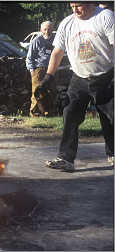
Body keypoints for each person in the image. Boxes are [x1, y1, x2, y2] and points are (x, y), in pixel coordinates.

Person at [36, 2, 114, 172]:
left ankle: (113, 153)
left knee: (111, 118)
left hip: (106, 77)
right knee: (69, 114)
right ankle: (66, 158)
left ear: (90, 3)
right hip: (79, 78)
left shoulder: (105, 17)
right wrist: (48, 77)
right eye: (72, 6)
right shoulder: (67, 23)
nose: (75, 10)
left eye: (79, 5)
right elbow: (57, 52)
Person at [26, 21, 57, 117]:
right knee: (36, 91)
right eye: (45, 29)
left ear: (52, 29)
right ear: (41, 30)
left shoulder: (55, 40)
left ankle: (49, 112)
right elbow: (29, 57)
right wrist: (32, 70)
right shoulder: (37, 40)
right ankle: (34, 113)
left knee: (51, 91)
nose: (47, 31)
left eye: (49, 29)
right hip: (39, 69)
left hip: (51, 69)